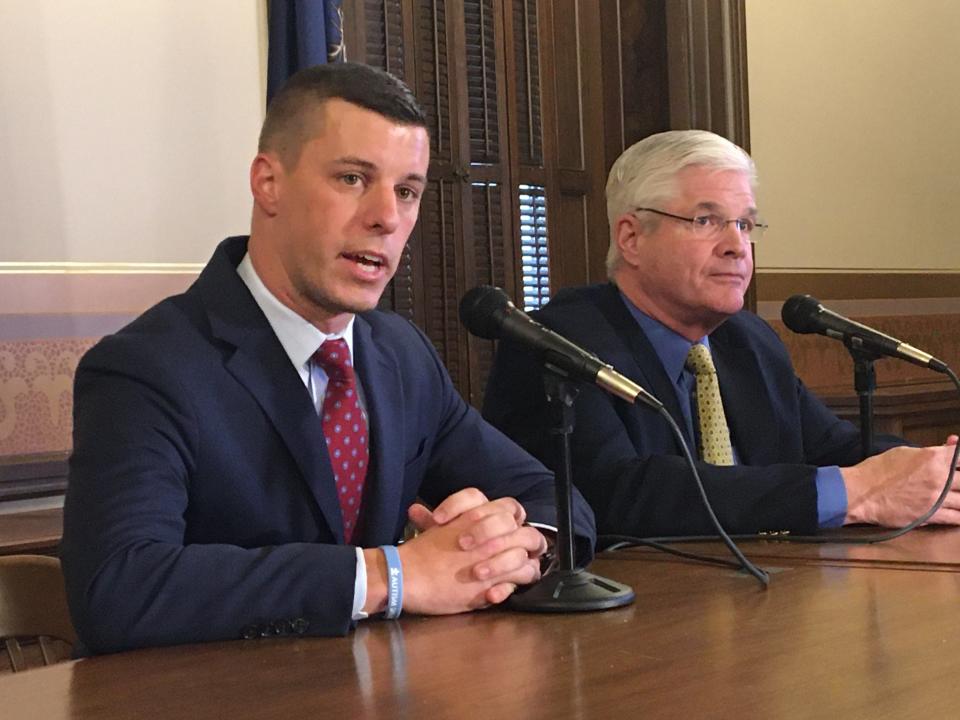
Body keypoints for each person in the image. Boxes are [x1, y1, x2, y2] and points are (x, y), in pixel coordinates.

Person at [61, 63, 595, 655]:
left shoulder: (402, 354)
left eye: (407, 191)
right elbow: (120, 588)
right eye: (351, 178)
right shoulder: (146, 367)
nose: (386, 217)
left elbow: (555, 495)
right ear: (269, 183)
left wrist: (510, 546)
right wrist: (393, 576)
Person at [483, 129, 959, 539]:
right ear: (631, 238)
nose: (737, 246)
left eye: (745, 223)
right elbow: (616, 493)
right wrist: (858, 492)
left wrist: (931, 470)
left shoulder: (748, 340)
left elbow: (834, 445)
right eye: (706, 220)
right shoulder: (561, 342)